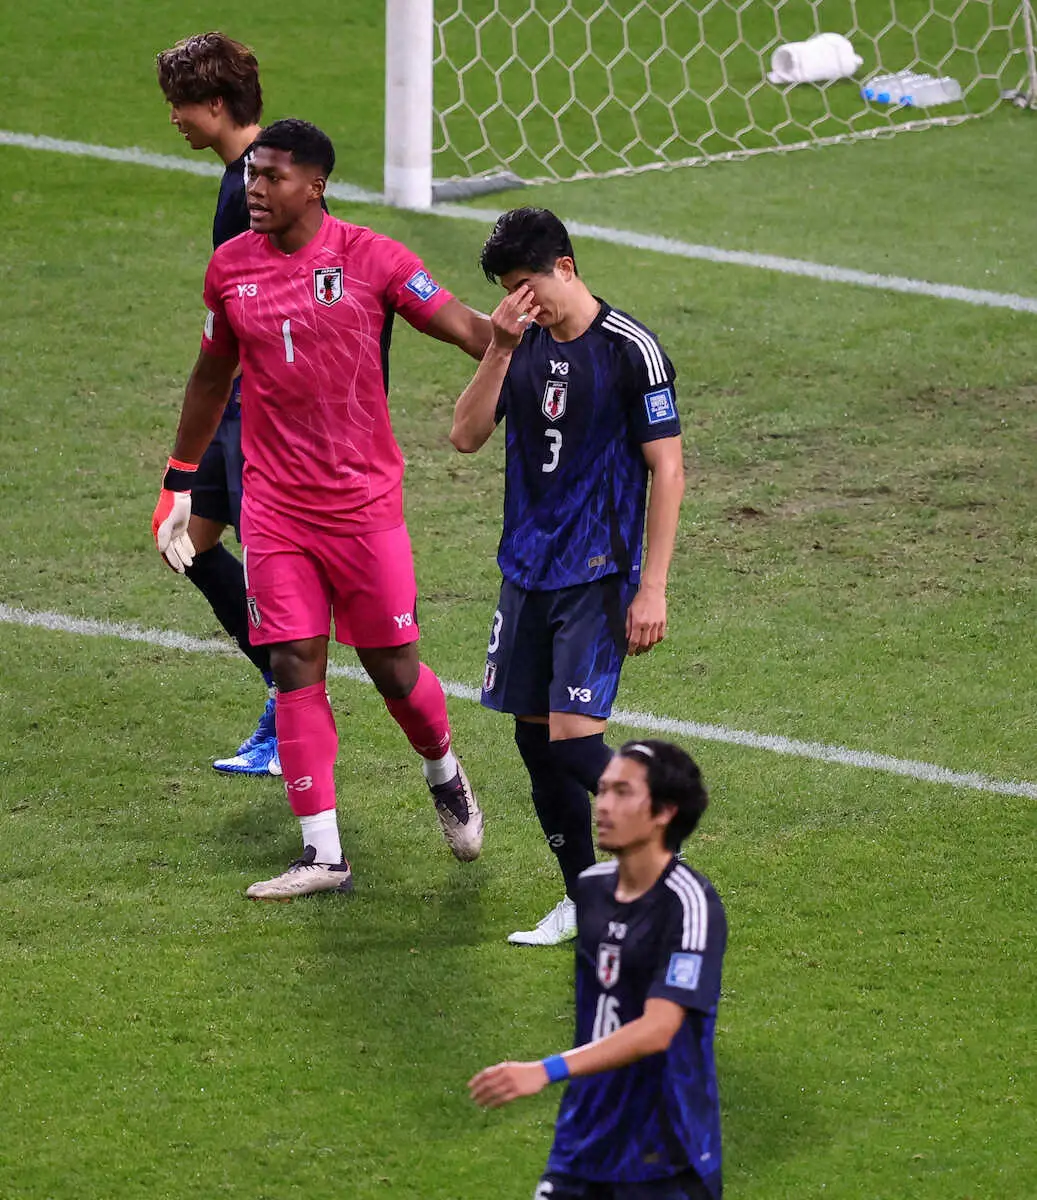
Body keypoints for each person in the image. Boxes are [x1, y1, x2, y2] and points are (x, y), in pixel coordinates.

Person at [151, 118, 491, 899]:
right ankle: (322, 854)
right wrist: (178, 480)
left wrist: (519, 343)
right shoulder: (230, 269)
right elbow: (209, 379)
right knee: (293, 663)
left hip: (362, 505)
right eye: (250, 175)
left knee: (394, 672)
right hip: (274, 506)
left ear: (316, 185)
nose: (253, 188)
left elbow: (465, 328)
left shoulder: (375, 260)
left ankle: (443, 770)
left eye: (270, 176)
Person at [450, 208, 685, 944]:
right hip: (525, 569)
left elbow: (667, 468)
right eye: (508, 290)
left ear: (567, 268)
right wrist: (497, 346)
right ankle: (586, 898)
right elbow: (464, 437)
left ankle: (664, 848)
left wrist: (652, 586)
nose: (521, 301)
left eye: (527, 285)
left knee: (576, 743)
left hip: (596, 572)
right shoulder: (517, 342)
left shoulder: (629, 350)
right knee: (532, 741)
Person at [469, 739, 726, 1200]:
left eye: (622, 793)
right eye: (602, 790)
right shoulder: (591, 891)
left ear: (665, 811)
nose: (602, 805)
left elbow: (659, 1029)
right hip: (584, 1134)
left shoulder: (689, 904)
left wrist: (545, 1070)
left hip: (664, 1148)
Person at [155, 32, 279, 776]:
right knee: (187, 545)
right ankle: (281, 691)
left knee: (264, 566)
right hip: (237, 407)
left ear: (213, 103)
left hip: (257, 413)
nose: (172, 119)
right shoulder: (247, 173)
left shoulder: (256, 188)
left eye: (178, 105)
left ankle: (291, 705)